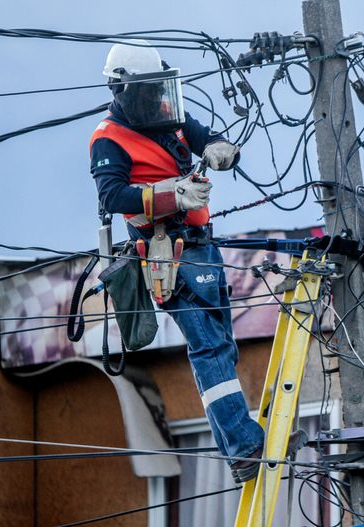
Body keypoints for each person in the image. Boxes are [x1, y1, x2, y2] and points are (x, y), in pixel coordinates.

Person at [89, 40, 264, 483]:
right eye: (145, 90)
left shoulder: (169, 113)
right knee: (208, 347)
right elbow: (112, 196)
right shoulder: (107, 139)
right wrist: (169, 193)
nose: (154, 97)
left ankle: (239, 452)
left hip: (203, 245)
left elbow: (208, 139)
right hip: (167, 251)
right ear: (122, 90)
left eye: (157, 88)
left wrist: (225, 150)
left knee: (220, 348)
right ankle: (244, 447)